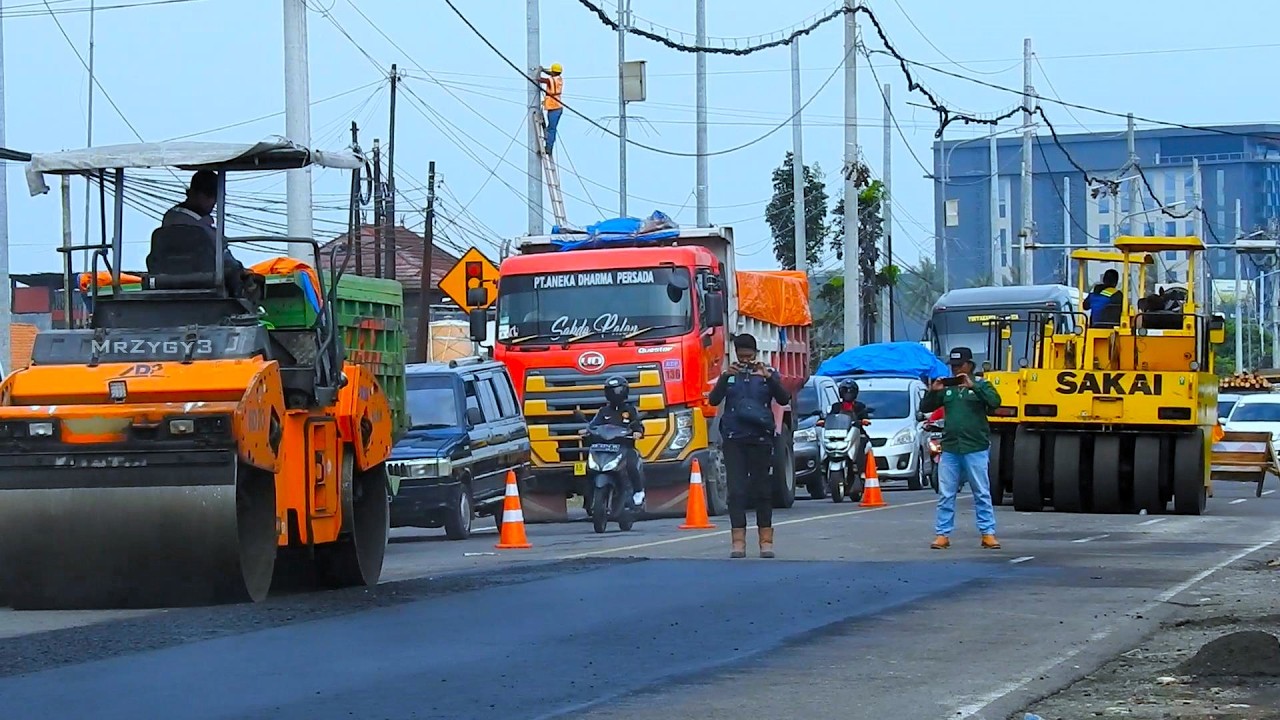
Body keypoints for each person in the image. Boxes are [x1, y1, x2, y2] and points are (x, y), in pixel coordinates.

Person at [708, 333, 790, 559]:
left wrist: (769, 378)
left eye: (748, 356)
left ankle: (766, 541)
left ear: (755, 353)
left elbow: (783, 399)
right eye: (741, 356)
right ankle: (738, 542)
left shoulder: (766, 374)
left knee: (762, 490)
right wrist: (725, 377)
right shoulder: (729, 376)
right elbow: (713, 400)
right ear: (735, 354)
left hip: (760, 438)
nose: (745, 360)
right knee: (736, 492)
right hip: (734, 438)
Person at [920, 347, 1003, 551]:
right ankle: (942, 534)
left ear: (969, 365)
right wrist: (933, 391)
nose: (956, 370)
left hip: (975, 446)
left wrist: (974, 386)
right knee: (946, 493)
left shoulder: (982, 385)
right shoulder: (948, 389)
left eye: (959, 365)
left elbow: (995, 402)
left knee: (981, 491)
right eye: (953, 366)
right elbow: (925, 407)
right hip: (951, 447)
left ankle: (988, 533)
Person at [160, 170, 248, 295]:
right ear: (193, 193)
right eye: (208, 195)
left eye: (215, 196)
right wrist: (241, 270)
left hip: (172, 280)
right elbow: (225, 258)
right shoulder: (194, 225)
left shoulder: (171, 216)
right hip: (204, 282)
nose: (213, 201)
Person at [582, 375, 646, 508]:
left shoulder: (630, 410)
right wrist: (587, 430)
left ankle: (638, 492)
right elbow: (594, 425)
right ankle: (588, 498)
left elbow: (637, 424)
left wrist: (637, 432)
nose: (614, 394)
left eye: (617, 390)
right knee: (588, 469)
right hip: (604, 448)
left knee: (632, 465)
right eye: (611, 391)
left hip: (625, 447)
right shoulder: (603, 411)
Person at [538, 63, 564, 154]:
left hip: (554, 107)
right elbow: (551, 75)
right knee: (551, 128)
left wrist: (536, 76)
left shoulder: (552, 80)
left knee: (551, 129)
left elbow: (544, 80)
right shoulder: (558, 78)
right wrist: (543, 70)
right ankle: (549, 145)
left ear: (553, 72)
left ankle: (549, 148)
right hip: (556, 107)